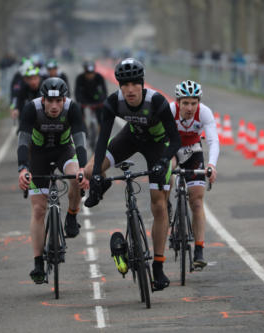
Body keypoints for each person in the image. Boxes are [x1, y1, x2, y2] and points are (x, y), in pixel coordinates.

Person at [84, 58, 181, 291]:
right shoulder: (113, 102)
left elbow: (175, 139)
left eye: (133, 84)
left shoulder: (156, 101)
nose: (129, 90)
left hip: (157, 146)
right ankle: (102, 185)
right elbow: (101, 140)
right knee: (88, 170)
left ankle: (158, 268)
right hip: (130, 138)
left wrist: (165, 161)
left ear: (141, 84)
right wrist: (97, 173)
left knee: (158, 206)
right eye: (124, 84)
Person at [17, 77, 89, 284]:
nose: (55, 106)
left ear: (64, 100)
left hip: (64, 151)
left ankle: (72, 215)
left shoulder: (72, 108)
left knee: (76, 177)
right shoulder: (32, 109)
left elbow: (80, 139)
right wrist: (23, 168)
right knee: (39, 210)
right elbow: (23, 140)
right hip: (37, 155)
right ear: (43, 100)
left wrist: (83, 168)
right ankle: (38, 262)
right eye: (50, 101)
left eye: (59, 101)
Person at [169, 80, 219, 268]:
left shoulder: (204, 112)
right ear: (178, 102)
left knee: (197, 201)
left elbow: (213, 141)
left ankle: (199, 250)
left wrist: (212, 166)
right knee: (167, 172)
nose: (190, 108)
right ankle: (166, 203)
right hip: (172, 148)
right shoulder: (169, 111)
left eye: (193, 103)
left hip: (193, 150)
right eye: (185, 103)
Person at [74, 60, 108, 125]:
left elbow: (104, 91)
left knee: (101, 117)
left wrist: (103, 100)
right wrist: (79, 101)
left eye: (92, 73)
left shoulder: (99, 77)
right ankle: (83, 126)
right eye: (88, 73)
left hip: (97, 99)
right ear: (84, 71)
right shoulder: (80, 78)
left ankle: (100, 130)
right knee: (78, 112)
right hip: (84, 99)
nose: (90, 75)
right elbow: (77, 92)